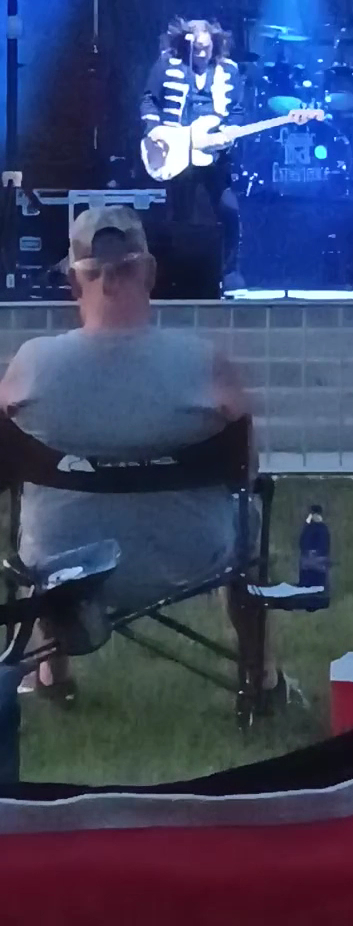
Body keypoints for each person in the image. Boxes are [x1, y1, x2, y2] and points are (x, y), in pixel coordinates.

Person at [0, 204, 258, 703]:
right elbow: (248, 469)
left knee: (39, 507)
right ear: (150, 273)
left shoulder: (32, 365)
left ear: (73, 283)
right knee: (249, 514)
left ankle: (51, 672)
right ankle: (260, 675)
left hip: (62, 563)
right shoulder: (203, 364)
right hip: (190, 559)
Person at [141, 16, 244, 292]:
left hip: (214, 153)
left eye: (206, 48)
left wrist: (229, 132)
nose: (201, 54)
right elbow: (149, 100)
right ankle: (178, 275)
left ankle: (230, 273)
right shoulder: (166, 65)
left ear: (215, 45)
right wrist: (154, 130)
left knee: (229, 210)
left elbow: (237, 110)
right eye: (196, 48)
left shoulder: (229, 70)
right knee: (180, 215)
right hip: (177, 151)